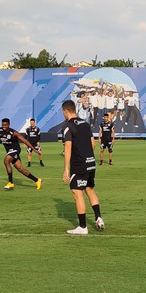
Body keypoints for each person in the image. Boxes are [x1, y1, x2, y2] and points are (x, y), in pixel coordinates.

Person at [61, 99, 104, 235]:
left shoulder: (68, 126)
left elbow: (68, 147)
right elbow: (93, 144)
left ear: (65, 111)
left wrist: (66, 169)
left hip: (79, 165)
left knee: (77, 192)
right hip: (91, 163)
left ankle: (82, 227)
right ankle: (98, 217)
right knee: (90, 190)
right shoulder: (85, 124)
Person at [0, 118, 42, 190]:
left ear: (9, 125)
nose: (4, 127)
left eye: (5, 125)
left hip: (15, 150)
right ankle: (37, 180)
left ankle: (10, 182)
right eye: (3, 125)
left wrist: (34, 149)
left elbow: (25, 141)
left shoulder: (13, 132)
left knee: (6, 161)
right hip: (10, 151)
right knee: (20, 168)